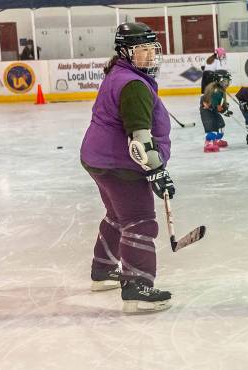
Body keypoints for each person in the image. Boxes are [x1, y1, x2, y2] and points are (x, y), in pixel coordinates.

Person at [79, 22, 174, 313]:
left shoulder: (121, 74)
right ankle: (137, 288)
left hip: (98, 159)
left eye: (151, 48)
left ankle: (103, 270)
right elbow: (140, 141)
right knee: (140, 220)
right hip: (119, 165)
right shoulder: (133, 85)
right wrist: (158, 171)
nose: (149, 55)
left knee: (117, 216)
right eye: (141, 49)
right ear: (125, 51)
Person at [200, 70, 232, 153]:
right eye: (225, 81)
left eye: (228, 81)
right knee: (212, 127)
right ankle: (208, 144)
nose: (227, 84)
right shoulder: (215, 91)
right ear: (218, 80)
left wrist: (225, 107)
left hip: (213, 111)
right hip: (207, 111)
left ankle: (217, 141)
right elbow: (214, 106)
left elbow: (219, 104)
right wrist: (225, 111)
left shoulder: (220, 90)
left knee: (221, 125)